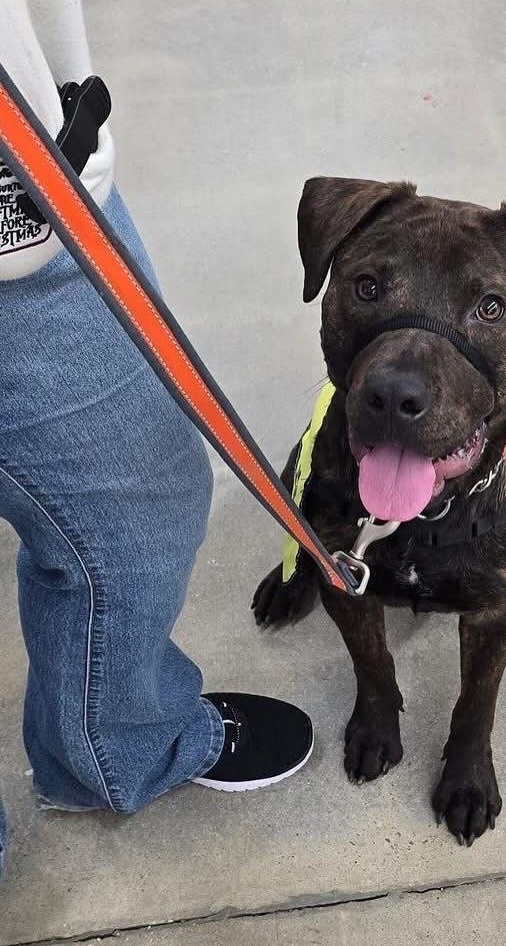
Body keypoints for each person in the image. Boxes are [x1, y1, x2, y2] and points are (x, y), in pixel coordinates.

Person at [0, 0, 314, 876]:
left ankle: (110, 749)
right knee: (130, 511)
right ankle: (119, 749)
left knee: (134, 509)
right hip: (25, 205)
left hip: (34, 171)